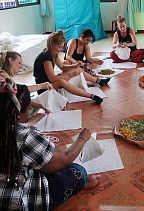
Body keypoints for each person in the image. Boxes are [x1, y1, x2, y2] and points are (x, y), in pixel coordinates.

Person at [0, 79, 101, 210]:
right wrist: (82, 138)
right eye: (29, 107)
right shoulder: (24, 135)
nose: (31, 110)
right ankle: (83, 182)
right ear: (18, 115)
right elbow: (62, 160)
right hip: (17, 201)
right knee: (78, 170)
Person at [33, 30, 110, 105]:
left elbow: (62, 67)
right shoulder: (46, 57)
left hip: (49, 83)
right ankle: (91, 96)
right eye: (59, 47)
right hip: (44, 87)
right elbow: (52, 78)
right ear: (52, 45)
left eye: (62, 47)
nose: (61, 50)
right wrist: (71, 75)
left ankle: (97, 85)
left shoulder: (54, 54)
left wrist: (75, 66)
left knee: (77, 70)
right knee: (62, 82)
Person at [0, 50, 53, 114]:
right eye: (19, 63)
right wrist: (43, 85)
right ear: (10, 60)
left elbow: (19, 92)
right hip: (7, 114)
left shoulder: (4, 75)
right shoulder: (4, 77)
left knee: (40, 102)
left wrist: (40, 106)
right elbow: (22, 90)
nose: (21, 66)